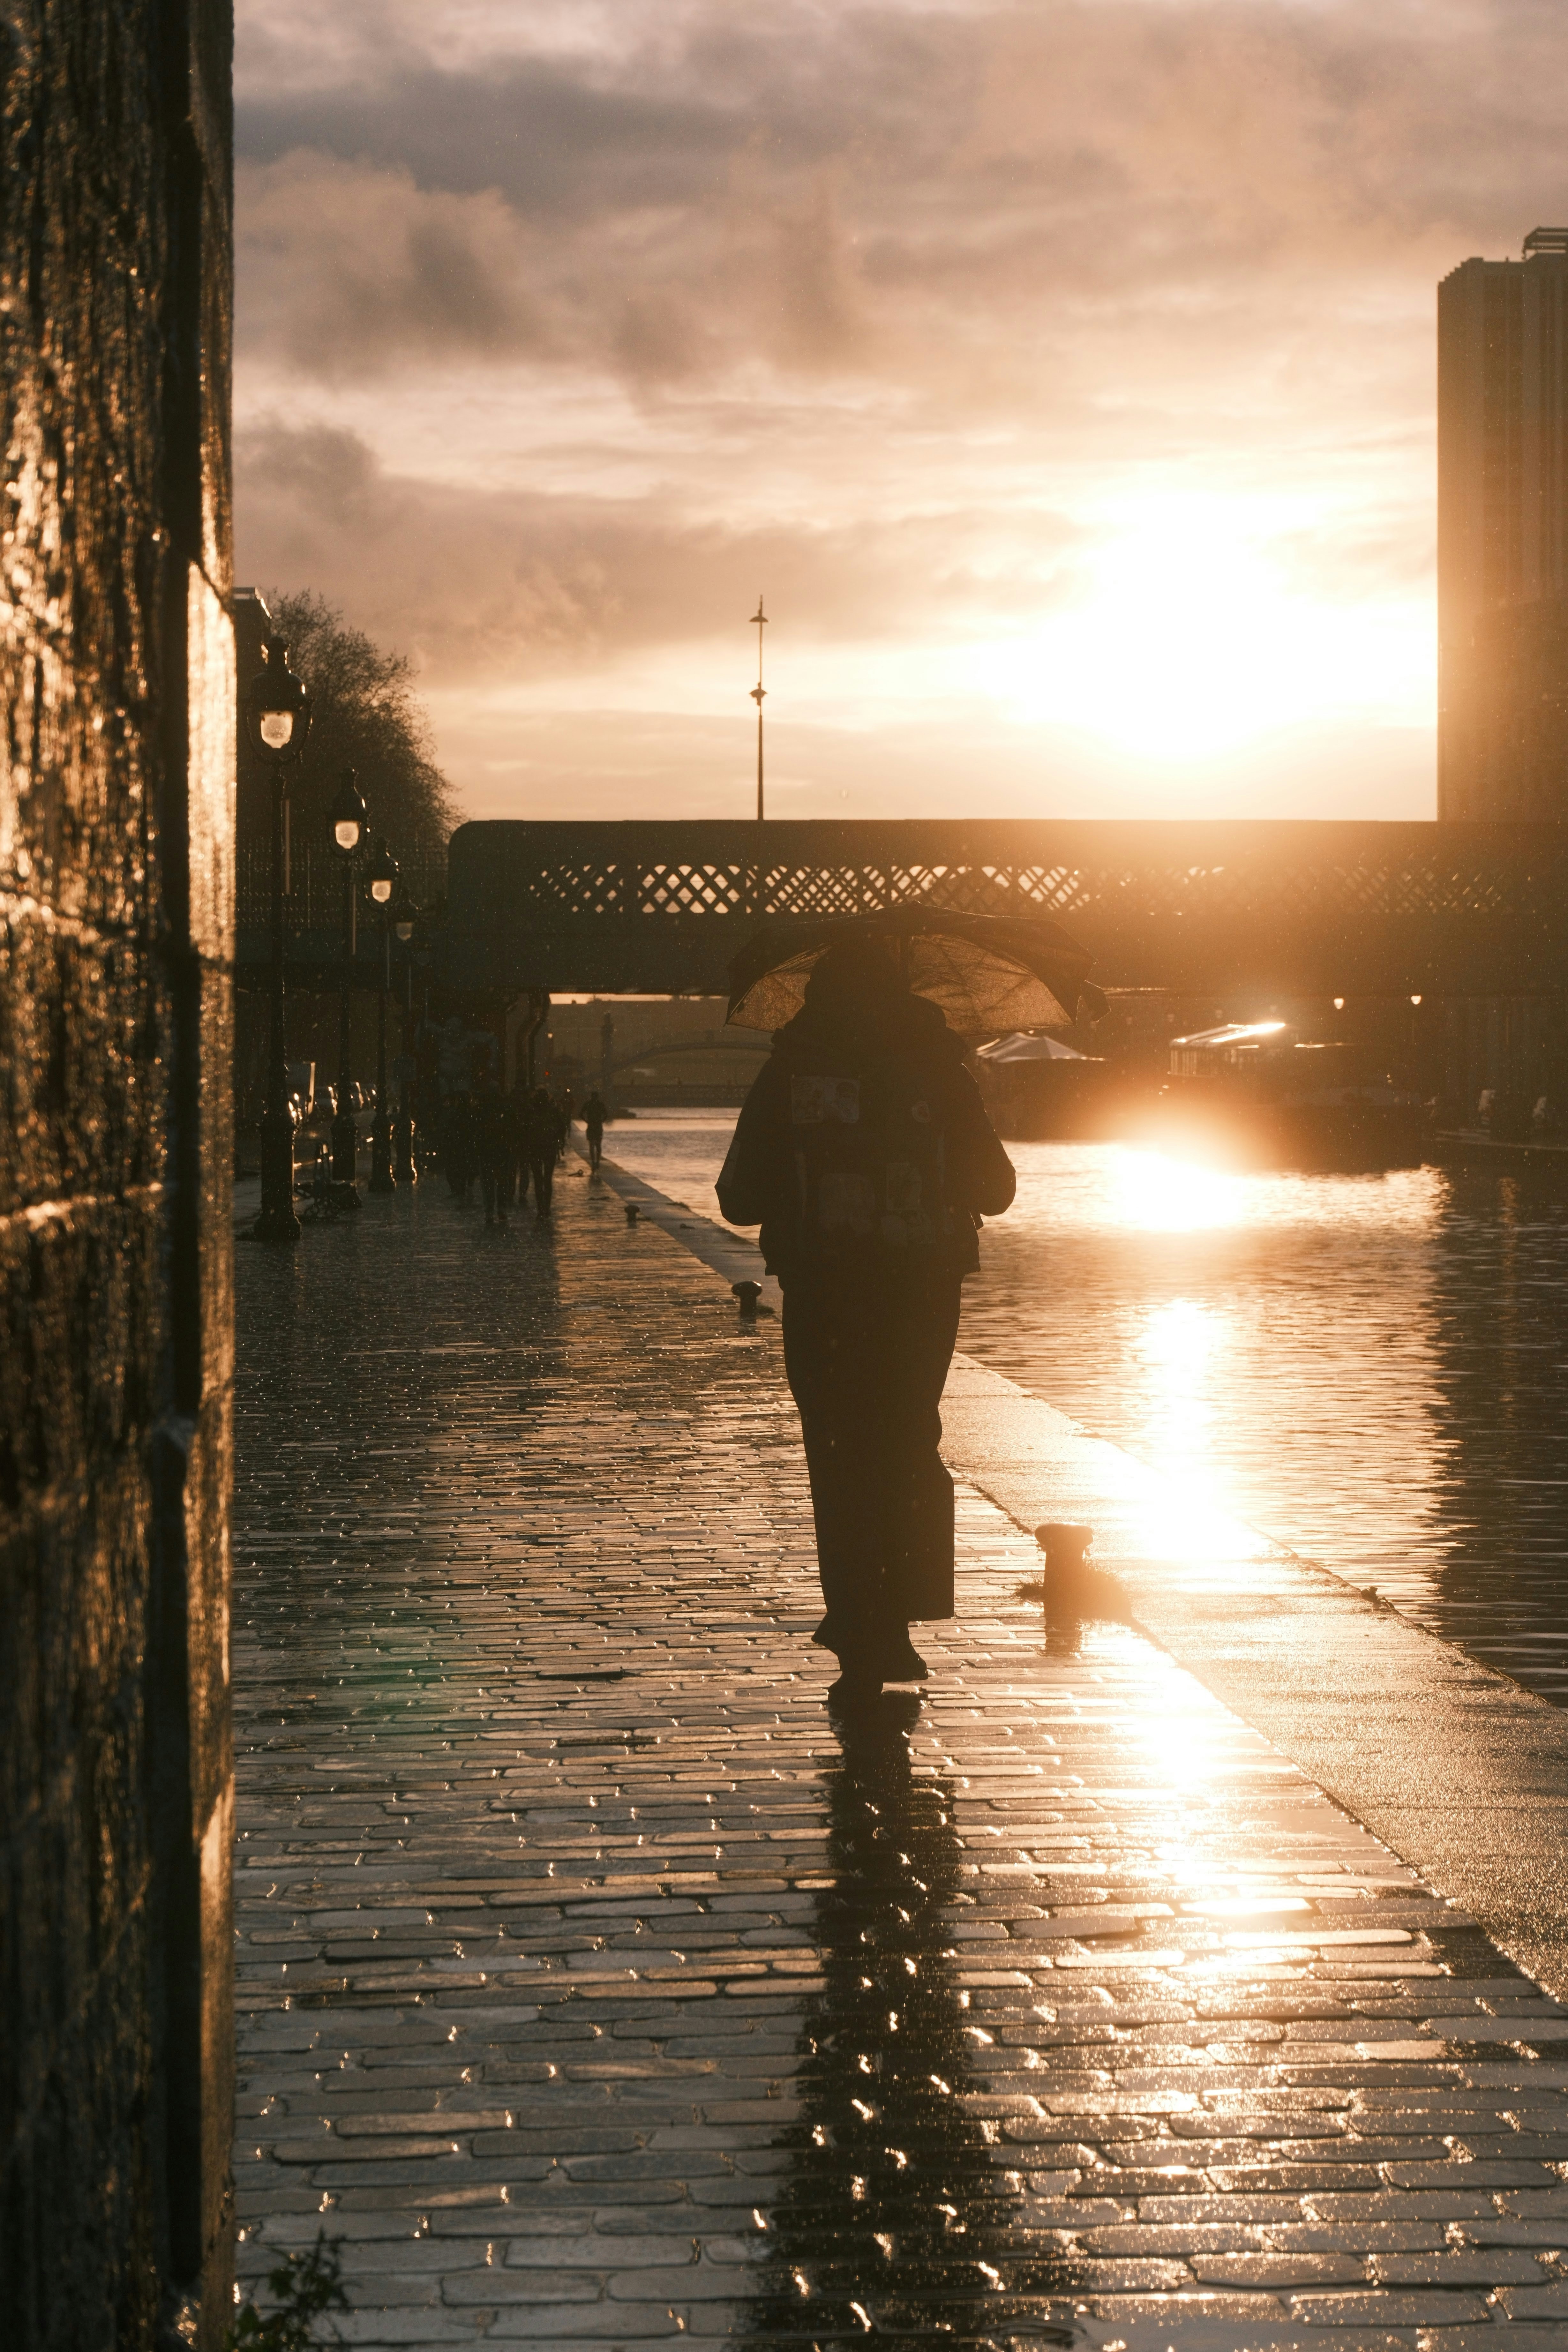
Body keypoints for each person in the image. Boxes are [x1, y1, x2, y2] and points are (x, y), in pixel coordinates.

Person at [718, 938, 1015, 1706]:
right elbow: (997, 1187)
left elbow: (738, 1197)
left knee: (837, 1447)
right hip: (919, 1286)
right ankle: (900, 1615)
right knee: (906, 1435)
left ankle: (854, 1616)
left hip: (823, 1286)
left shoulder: (789, 1071)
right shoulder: (941, 1071)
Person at [472, 1073, 516, 1228]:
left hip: (486, 1148)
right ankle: (501, 1209)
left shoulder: (482, 1107)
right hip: (502, 1148)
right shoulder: (505, 1105)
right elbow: (512, 1126)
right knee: (502, 1181)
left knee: (488, 1182)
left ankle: (490, 1210)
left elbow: (476, 1129)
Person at [525, 1086, 559, 1217]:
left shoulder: (531, 1111)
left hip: (535, 1149)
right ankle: (547, 1207)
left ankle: (540, 1208)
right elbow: (562, 1128)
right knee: (548, 1179)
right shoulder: (553, 1111)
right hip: (550, 1148)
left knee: (538, 1179)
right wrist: (556, 1139)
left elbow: (525, 1129)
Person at [581, 1091, 608, 1172]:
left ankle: (593, 1162)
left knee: (592, 1145)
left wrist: (587, 1121)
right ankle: (598, 1162)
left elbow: (581, 1114)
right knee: (599, 1145)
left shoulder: (588, 1104)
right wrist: (601, 1121)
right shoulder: (601, 1105)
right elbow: (606, 1115)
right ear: (598, 1097)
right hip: (598, 1127)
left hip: (591, 1126)